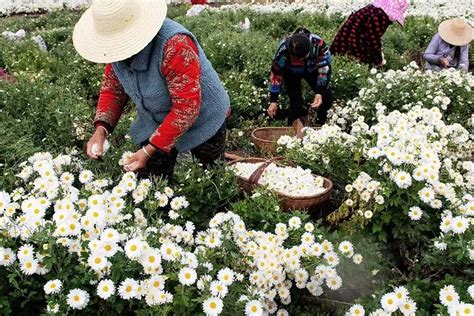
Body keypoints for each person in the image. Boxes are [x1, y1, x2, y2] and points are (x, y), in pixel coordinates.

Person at [73, 0, 230, 178]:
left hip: (205, 117)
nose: (115, 52)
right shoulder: (116, 51)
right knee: (152, 178)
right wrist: (101, 129)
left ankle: (217, 203)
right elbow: (113, 89)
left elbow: (186, 107)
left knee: (210, 175)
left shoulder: (174, 44)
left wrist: (148, 151)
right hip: (158, 119)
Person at [267, 28, 333, 127]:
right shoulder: (283, 51)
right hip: (291, 72)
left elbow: (324, 70)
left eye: (302, 58)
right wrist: (273, 101)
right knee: (295, 103)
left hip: (312, 69)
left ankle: (319, 124)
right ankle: (292, 130)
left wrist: (320, 92)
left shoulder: (319, 46)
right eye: (296, 58)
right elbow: (276, 74)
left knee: (326, 97)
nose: (299, 61)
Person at [330, 0, 408, 67]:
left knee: (342, 59)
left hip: (349, 37)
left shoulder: (374, 10)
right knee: (350, 62)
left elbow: (370, 37)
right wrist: (379, 61)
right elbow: (373, 40)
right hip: (353, 40)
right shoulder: (379, 16)